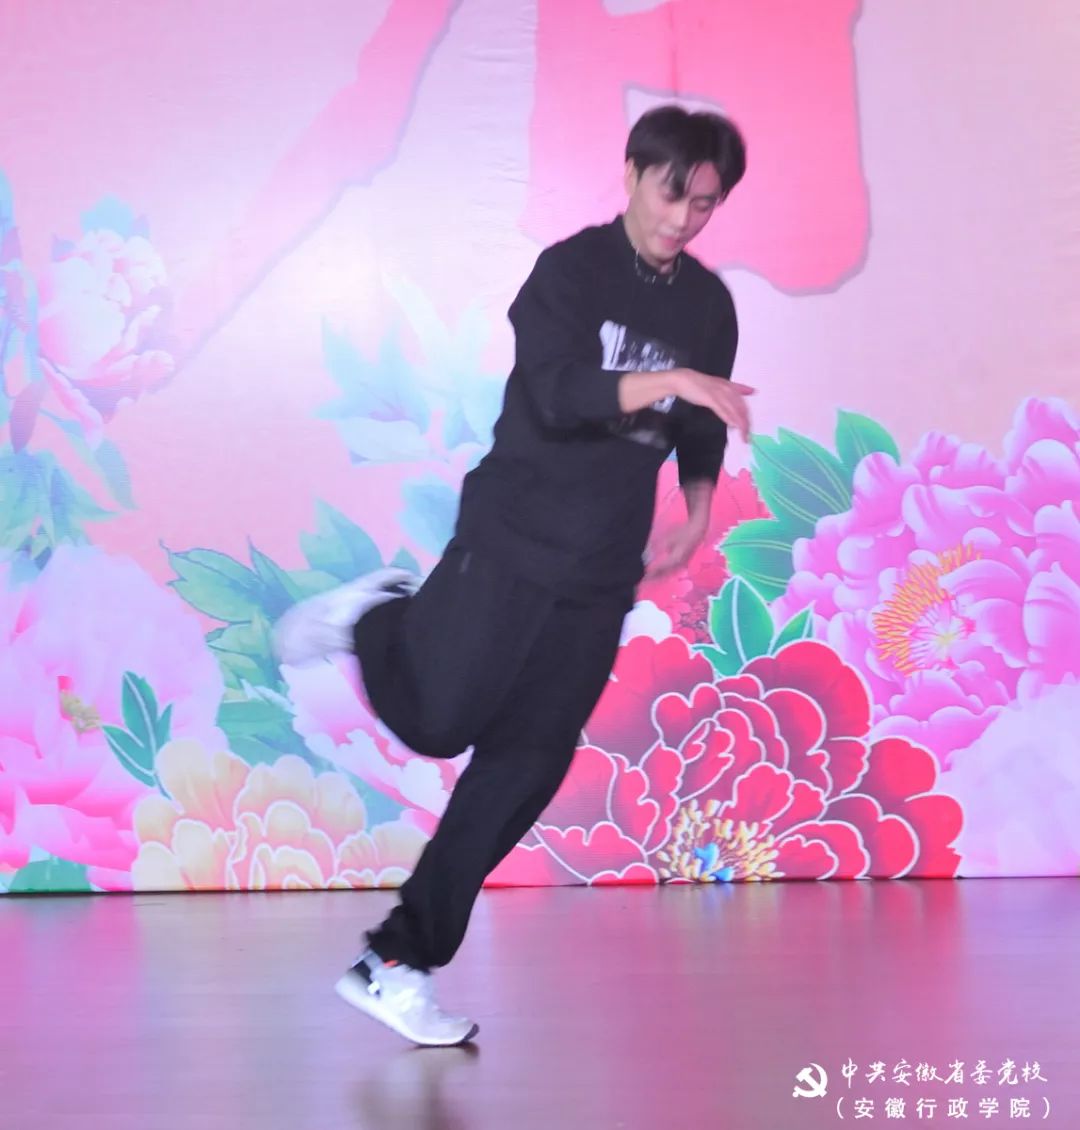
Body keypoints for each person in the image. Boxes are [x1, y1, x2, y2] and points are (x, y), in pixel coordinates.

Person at [274, 104, 754, 1047]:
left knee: (528, 763)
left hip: (600, 568)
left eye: (705, 204)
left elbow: (702, 421)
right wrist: (670, 381)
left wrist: (697, 503)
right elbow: (558, 392)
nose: (684, 218)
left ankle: (396, 962)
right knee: (436, 722)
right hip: (513, 536)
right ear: (632, 172)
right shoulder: (570, 273)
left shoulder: (708, 306)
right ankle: (378, 615)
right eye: (672, 193)